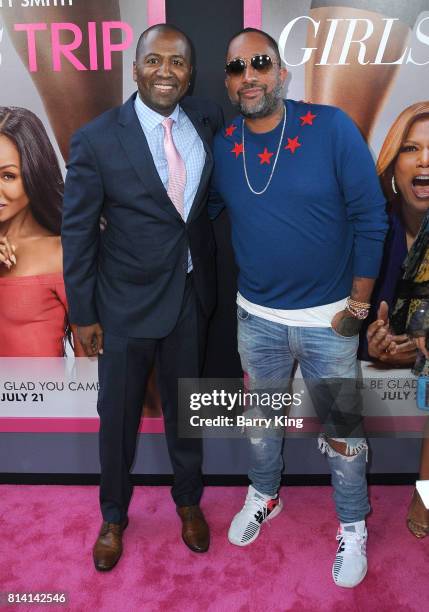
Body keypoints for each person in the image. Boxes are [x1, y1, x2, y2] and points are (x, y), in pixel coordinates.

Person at [209, 28, 387, 588]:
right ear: (229, 81)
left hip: (329, 321)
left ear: (282, 71)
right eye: (238, 68)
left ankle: (353, 524)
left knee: (342, 431)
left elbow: (372, 218)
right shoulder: (224, 145)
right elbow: (193, 208)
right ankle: (264, 495)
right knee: (261, 424)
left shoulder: (330, 127)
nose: (249, 76)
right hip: (255, 318)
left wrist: (358, 306)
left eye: (260, 63)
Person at [62, 24, 223, 571]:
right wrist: (82, 313)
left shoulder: (205, 120)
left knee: (186, 415)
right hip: (123, 304)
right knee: (119, 419)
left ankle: (187, 501)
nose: (166, 72)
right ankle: (113, 515)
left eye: (177, 63)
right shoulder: (97, 137)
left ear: (190, 73)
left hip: (189, 295)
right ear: (135, 68)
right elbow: (79, 232)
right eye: (154, 61)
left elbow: (201, 207)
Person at [362, 102, 429, 538]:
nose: (425, 160)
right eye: (411, 148)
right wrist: (374, 342)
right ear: (393, 161)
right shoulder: (371, 225)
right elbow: (353, 314)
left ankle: (424, 491)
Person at [0, 106, 83, 357]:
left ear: (34, 172)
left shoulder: (63, 251)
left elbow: (87, 359)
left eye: (7, 176)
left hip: (40, 395)